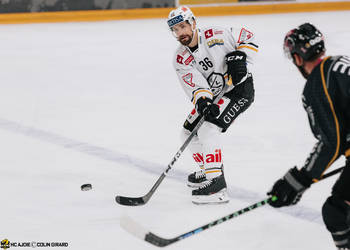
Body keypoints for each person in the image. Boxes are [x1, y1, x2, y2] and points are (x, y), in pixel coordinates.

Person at [267, 23, 350, 249]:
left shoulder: (317, 84)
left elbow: (332, 142)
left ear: (298, 58)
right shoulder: (341, 63)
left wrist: (298, 181)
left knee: (337, 212)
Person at [167, 6, 258, 205]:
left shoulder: (215, 34)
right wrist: (203, 101)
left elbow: (247, 35)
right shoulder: (180, 58)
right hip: (215, 95)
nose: (180, 32)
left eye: (183, 26)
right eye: (175, 30)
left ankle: (217, 185)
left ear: (193, 23)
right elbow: (194, 84)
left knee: (208, 128)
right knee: (187, 131)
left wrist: (240, 55)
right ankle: (209, 169)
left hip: (239, 91)